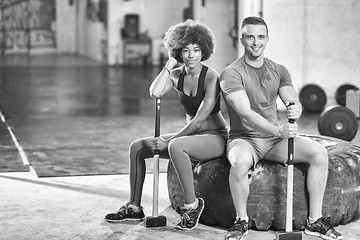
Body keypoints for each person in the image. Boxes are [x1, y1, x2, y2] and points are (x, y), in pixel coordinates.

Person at [219, 16, 342, 240]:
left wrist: (295, 109)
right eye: (250, 37)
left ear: (267, 39)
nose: (256, 43)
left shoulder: (279, 70)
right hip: (245, 139)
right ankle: (241, 221)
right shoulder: (231, 73)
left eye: (261, 37)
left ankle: (314, 221)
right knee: (238, 163)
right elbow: (245, 112)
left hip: (274, 140)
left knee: (319, 153)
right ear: (242, 39)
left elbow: (291, 98)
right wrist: (278, 131)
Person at [105, 19, 228, 231]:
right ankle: (134, 208)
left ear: (204, 52)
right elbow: (155, 92)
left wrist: (171, 139)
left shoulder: (211, 77)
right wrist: (168, 65)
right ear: (178, 51)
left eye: (196, 50)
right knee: (138, 147)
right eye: (186, 50)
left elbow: (199, 120)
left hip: (214, 136)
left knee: (174, 146)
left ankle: (192, 206)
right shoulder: (176, 74)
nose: (191, 55)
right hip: (190, 136)